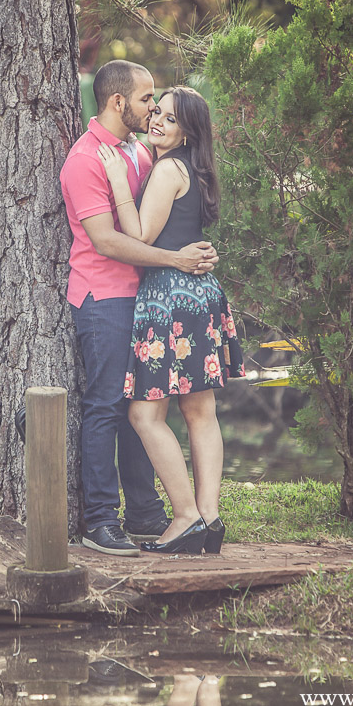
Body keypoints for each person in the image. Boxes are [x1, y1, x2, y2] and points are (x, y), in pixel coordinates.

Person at [61, 61, 219, 558]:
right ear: (118, 102)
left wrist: (197, 250)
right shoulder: (85, 160)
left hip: (152, 300)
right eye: (149, 99)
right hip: (104, 297)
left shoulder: (140, 152)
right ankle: (101, 521)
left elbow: (171, 213)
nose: (154, 108)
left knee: (144, 408)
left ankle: (147, 511)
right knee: (108, 406)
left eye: (161, 105)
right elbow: (107, 240)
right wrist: (178, 259)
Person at [95, 86, 245, 555]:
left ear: (187, 131)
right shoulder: (196, 170)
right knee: (200, 412)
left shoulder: (167, 170)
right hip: (200, 296)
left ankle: (185, 517)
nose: (158, 121)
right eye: (156, 111)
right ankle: (210, 518)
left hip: (168, 301)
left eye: (171, 119)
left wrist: (119, 182)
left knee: (143, 413)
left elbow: (138, 234)